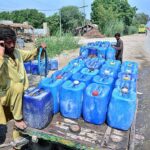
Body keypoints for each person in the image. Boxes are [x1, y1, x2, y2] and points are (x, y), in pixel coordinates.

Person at [0, 27, 46, 148]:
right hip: (4, 96)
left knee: (21, 110)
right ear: (1, 43)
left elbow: (30, 55)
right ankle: (18, 120)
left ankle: (17, 141)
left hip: (18, 94)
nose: (12, 45)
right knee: (18, 90)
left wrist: (39, 49)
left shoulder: (16, 52)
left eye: (13, 41)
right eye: (8, 43)